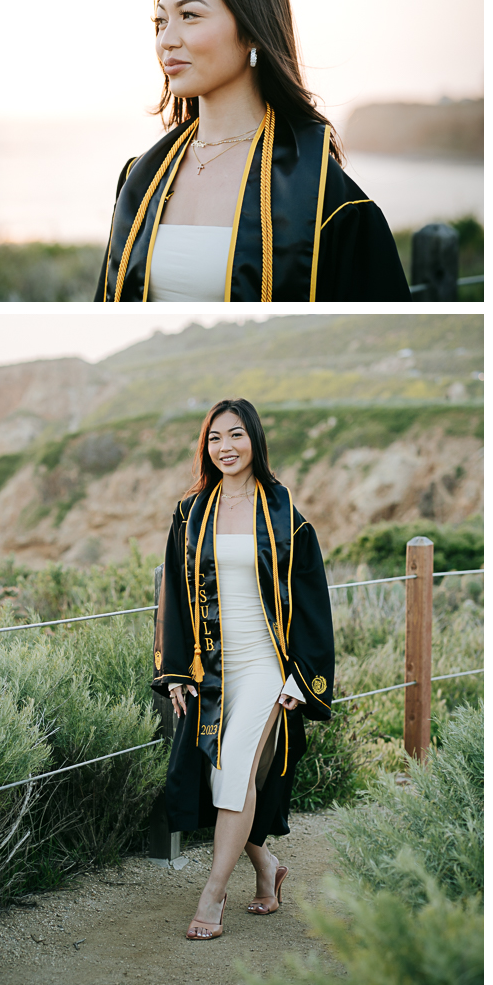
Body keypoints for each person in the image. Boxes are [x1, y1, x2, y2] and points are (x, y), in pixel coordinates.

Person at [95, 0, 411, 302]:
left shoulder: (325, 197)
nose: (166, 40)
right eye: (161, 21)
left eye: (190, 15)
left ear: (250, 31)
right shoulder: (139, 181)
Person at [152, 398, 335, 939]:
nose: (225, 447)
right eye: (214, 438)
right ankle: (267, 869)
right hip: (212, 667)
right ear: (205, 447)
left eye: (235, 435)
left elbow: (312, 603)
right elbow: (173, 598)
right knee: (220, 775)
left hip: (264, 665)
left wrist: (301, 679)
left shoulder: (285, 516)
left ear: (254, 439)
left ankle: (212, 896)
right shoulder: (191, 514)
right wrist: (177, 670)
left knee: (233, 768)